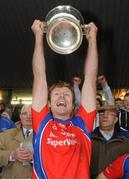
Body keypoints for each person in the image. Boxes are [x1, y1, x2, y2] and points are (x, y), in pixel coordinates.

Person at [31, 19, 98, 179]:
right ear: (48, 104)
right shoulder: (42, 122)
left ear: (74, 104)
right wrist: (38, 37)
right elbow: (39, 76)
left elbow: (90, 78)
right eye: (56, 94)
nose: (61, 96)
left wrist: (93, 40)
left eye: (67, 94)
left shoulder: (82, 123)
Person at [90, 104, 129, 178]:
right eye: (102, 114)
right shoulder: (88, 140)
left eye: (109, 114)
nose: (105, 116)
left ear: (115, 119)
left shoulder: (125, 143)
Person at [0, 105, 33, 179]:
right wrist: (12, 155)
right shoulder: (5, 134)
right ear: (20, 116)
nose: (28, 116)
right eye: (25, 113)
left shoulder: (46, 137)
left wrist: (34, 158)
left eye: (32, 114)